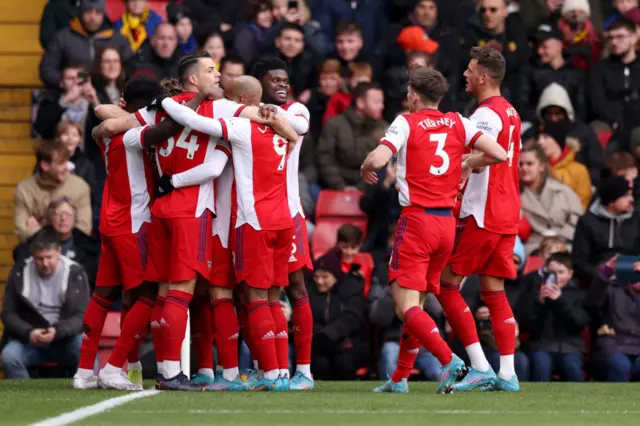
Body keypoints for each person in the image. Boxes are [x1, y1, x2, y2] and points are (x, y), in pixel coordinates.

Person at [138, 53, 297, 391]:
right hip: (209, 212)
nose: (218, 74)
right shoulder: (225, 109)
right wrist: (279, 122)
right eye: (211, 70)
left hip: (165, 208)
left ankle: (182, 370)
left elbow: (115, 122)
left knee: (170, 293)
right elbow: (274, 124)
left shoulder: (158, 109)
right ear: (194, 79)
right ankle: (255, 371)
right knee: (220, 294)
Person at [360, 67, 508, 393]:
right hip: (446, 224)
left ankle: (449, 359)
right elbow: (499, 153)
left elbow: (380, 158)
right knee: (420, 303)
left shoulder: (406, 122)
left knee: (405, 306)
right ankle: (399, 379)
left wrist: (366, 165)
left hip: (416, 222)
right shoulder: (459, 121)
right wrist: (467, 162)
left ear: (413, 94)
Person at [72, 76, 193, 391]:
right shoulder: (136, 134)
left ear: (125, 102)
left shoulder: (108, 134)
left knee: (103, 296)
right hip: (135, 223)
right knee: (147, 295)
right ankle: (113, 367)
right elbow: (167, 130)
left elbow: (102, 114)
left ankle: (85, 372)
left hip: (111, 223)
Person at [437, 46, 523, 392]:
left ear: (484, 77)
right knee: (494, 291)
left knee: (446, 285)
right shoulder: (511, 111)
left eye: (470, 71)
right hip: (507, 211)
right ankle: (507, 373)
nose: (465, 75)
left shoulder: (485, 115)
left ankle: (479, 365)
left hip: (484, 211)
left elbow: (489, 155)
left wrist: (460, 167)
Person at [250, 57, 315, 390]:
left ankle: (303, 370)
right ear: (259, 82)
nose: (282, 84)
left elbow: (299, 128)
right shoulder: (246, 113)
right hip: (251, 215)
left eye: (285, 80)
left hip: (289, 212)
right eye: (274, 79)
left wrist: (264, 111)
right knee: (260, 293)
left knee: (297, 287)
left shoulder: (297, 110)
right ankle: (270, 370)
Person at [1, 229, 90, 379]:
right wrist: (28, 332)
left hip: (66, 339)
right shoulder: (19, 271)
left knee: (87, 352)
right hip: (29, 339)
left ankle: (89, 394)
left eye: (49, 257)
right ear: (32, 255)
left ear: (59, 251)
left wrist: (57, 331)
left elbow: (83, 315)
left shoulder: (75, 272)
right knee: (9, 357)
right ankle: (25, 399)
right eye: (39, 259)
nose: (45, 263)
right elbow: (8, 313)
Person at [518, 251, 589, 382]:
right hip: (541, 346)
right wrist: (540, 303)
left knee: (572, 368)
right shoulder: (534, 293)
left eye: (561, 272)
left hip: (571, 348)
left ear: (570, 274)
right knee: (541, 365)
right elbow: (527, 325)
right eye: (551, 273)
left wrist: (559, 301)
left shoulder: (579, 295)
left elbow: (579, 323)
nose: (555, 277)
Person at [39, 0, 132, 89]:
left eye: (98, 13)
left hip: (109, 96)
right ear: (81, 13)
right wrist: (62, 82)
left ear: (104, 15)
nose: (92, 17)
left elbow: (130, 68)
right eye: (88, 12)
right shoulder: (64, 37)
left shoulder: (117, 38)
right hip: (73, 96)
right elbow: (46, 68)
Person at [13, 197, 100, 290]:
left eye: (68, 214)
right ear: (50, 218)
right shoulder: (35, 241)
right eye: (58, 214)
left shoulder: (88, 247)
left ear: (74, 219)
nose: (63, 218)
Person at [14, 141, 92, 243]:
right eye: (61, 163)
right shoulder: (24, 189)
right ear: (45, 166)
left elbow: (84, 229)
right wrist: (65, 229)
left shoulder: (80, 187)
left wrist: (41, 229)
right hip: (36, 250)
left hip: (71, 250)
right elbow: (21, 231)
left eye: (67, 161)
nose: (67, 167)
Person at [519, 144, 584, 255]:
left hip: (566, 243)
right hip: (534, 248)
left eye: (529, 164)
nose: (524, 168)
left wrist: (562, 239)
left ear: (542, 166)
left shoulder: (563, 190)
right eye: (520, 164)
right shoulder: (516, 195)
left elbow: (578, 219)